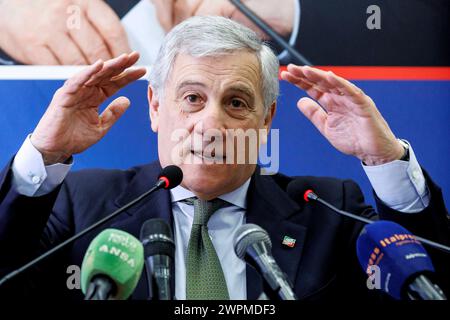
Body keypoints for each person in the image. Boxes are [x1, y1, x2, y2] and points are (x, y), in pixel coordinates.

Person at [0, 16, 448, 300]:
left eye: (236, 103)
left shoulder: (330, 208)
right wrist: (45, 152)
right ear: (156, 107)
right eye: (193, 98)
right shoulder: (84, 205)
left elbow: (431, 281)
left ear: (266, 117)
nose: (211, 125)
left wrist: (383, 156)